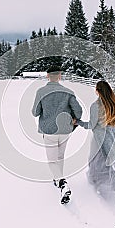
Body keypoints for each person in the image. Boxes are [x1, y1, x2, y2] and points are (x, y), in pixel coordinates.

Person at [32, 65, 83, 204]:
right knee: (60, 156)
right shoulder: (68, 92)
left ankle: (62, 183)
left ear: (48, 76)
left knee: (52, 160)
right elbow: (78, 111)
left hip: (49, 131)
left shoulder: (41, 92)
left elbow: (35, 112)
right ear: (59, 76)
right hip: (65, 130)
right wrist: (74, 120)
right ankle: (58, 180)